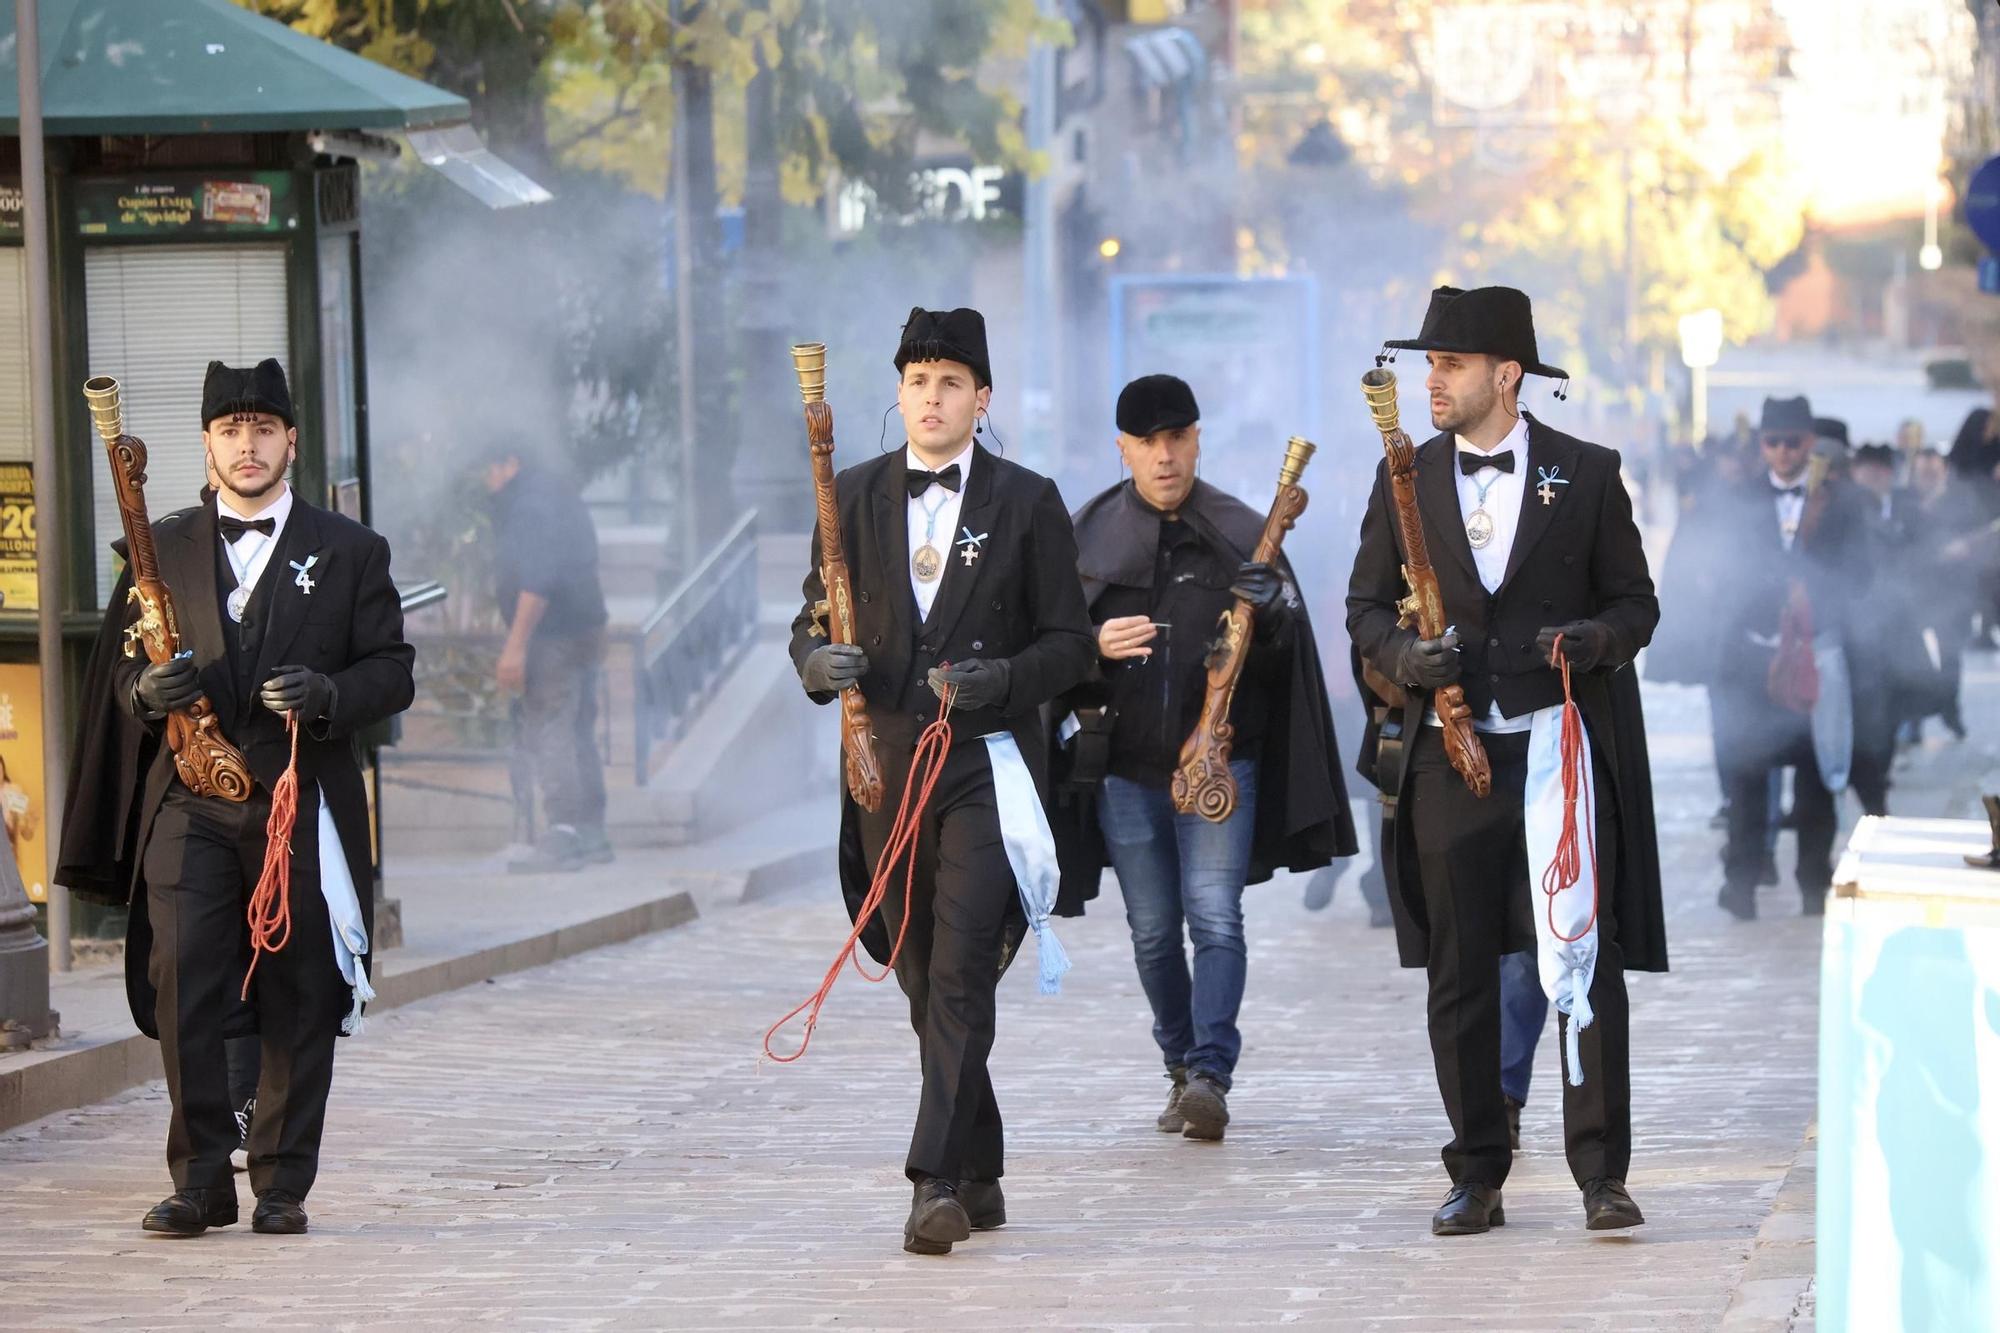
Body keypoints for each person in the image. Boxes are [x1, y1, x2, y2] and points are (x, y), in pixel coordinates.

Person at [57, 358, 414, 1236]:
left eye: (261, 429)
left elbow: (392, 672)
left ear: (291, 440)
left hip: (301, 800)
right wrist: (146, 693)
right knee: (182, 980)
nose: (246, 445)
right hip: (188, 800)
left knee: (301, 987)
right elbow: (119, 674)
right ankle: (201, 1180)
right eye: (229, 430)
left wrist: (328, 694)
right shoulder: (159, 545)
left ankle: (282, 1184)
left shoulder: (352, 551)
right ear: (207, 444)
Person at [1347, 285, 1667, 1237]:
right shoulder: (1403, 475)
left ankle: (1601, 1175)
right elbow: (1363, 606)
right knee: (1460, 970)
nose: (1432, 381)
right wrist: (1405, 658)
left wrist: (1596, 641)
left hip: (1560, 749)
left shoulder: (1588, 472)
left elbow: (1637, 604)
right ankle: (1477, 1172)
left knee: (1583, 958)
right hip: (1452, 757)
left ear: (1507, 374)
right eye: (1428, 365)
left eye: (1450, 364)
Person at [788, 307, 1095, 1255]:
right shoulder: (848, 493)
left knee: (961, 966)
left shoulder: (1029, 501)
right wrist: (815, 664)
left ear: (982, 398)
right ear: (899, 392)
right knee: (921, 977)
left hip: (985, 764)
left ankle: (935, 1182)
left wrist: (1001, 679)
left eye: (951, 382)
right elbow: (811, 619)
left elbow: (1072, 645)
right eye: (918, 380)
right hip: (883, 765)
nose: (932, 397)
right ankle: (983, 1164)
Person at [1053, 373, 1354, 1141]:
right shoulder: (1083, 537)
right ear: (1123, 448)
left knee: (1216, 917)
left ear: (1196, 440)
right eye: (1148, 442)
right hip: (1125, 771)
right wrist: (1091, 644)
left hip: (1225, 764)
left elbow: (1285, 662)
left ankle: (1211, 1073)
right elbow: (1048, 648)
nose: (1164, 456)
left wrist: (1275, 613)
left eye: (1177, 438)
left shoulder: (1243, 530)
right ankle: (1179, 1064)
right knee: (1154, 929)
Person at [1709, 395, 1868, 920]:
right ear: (1762, 445)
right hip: (1754, 658)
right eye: (1772, 442)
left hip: (1814, 658)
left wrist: (1817, 594)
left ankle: (1813, 883)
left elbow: (1861, 575)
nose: (1782, 452)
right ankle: (1741, 884)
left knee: (1816, 778)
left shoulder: (1841, 503)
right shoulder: (1740, 499)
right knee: (1746, 779)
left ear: (1810, 443)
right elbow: (1723, 577)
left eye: (1792, 442)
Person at [478, 446, 612, 873]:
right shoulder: (556, 490)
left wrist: (515, 645)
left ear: (509, 463)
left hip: (553, 635)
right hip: (586, 626)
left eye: (489, 469)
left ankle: (563, 832)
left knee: (551, 726)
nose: (486, 481)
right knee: (579, 727)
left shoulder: (529, 505)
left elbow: (537, 581)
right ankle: (591, 832)